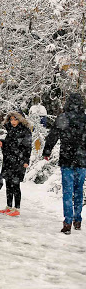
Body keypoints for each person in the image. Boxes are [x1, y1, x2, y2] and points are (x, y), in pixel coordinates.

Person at [43, 93, 86, 234]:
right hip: (82, 160)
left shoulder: (63, 118)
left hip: (67, 159)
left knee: (68, 192)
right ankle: (77, 219)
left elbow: (53, 135)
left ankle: (67, 222)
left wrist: (47, 151)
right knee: (79, 191)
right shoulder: (85, 119)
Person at [0, 111, 32, 217]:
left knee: (15, 184)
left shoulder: (25, 131)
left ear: (20, 119)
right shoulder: (11, 130)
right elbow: (9, 142)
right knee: (8, 183)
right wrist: (1, 141)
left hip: (18, 161)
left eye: (15, 119)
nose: (13, 121)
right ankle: (9, 206)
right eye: (11, 119)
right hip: (8, 160)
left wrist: (26, 160)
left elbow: (28, 147)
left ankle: (17, 208)